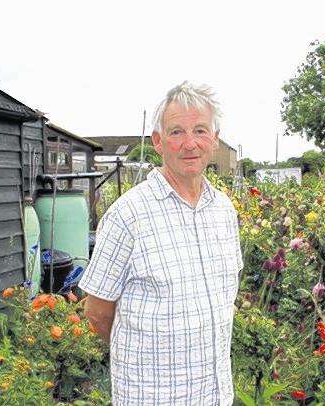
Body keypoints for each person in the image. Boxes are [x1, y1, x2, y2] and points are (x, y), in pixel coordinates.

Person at [79, 81, 243, 405]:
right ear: (158, 141)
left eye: (199, 130)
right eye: (176, 132)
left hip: (216, 396)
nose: (189, 143)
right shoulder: (127, 216)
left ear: (214, 137)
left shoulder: (225, 210)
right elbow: (97, 313)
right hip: (152, 396)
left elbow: (226, 296)